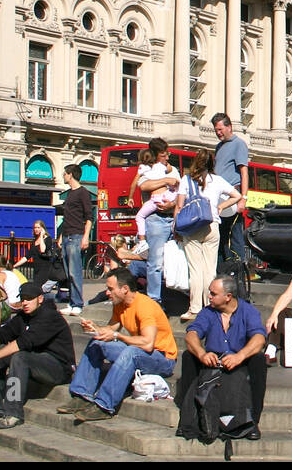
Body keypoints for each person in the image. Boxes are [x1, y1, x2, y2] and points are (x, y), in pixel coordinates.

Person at [58, 268, 178, 421]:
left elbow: (148, 344)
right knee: (97, 343)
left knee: (131, 353)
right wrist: (95, 329)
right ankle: (81, 395)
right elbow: (111, 328)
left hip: (162, 358)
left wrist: (117, 335)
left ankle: (104, 405)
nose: (107, 293)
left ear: (125, 289)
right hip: (140, 351)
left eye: (110, 289)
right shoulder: (120, 304)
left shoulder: (145, 306)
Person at [0, 282, 76, 430]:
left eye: (29, 299)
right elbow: (2, 334)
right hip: (36, 360)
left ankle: (13, 412)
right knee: (2, 351)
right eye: (22, 299)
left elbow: (22, 343)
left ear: (40, 299)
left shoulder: (50, 316)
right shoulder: (23, 316)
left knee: (18, 357)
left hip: (59, 368)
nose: (25, 303)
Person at [177, 274, 267, 442]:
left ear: (228, 297)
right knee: (189, 356)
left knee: (259, 360)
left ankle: (253, 421)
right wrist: (202, 353)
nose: (209, 296)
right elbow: (191, 334)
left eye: (213, 293)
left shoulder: (248, 312)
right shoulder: (208, 312)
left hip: (238, 359)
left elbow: (259, 338)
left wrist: (240, 356)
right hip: (213, 360)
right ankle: (187, 418)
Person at [175, 148, 241, 322]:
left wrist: (176, 229)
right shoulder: (217, 180)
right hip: (212, 225)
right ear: (212, 163)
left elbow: (179, 207)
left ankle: (195, 308)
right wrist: (220, 207)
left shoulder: (186, 180)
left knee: (195, 270)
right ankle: (211, 305)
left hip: (192, 226)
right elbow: (237, 195)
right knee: (209, 269)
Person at [131, 138, 181, 300]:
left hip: (172, 218)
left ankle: (174, 296)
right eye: (163, 155)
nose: (167, 158)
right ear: (154, 155)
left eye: (167, 154)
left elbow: (181, 190)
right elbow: (144, 186)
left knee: (174, 260)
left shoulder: (171, 169)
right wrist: (166, 181)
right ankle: (154, 299)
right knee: (155, 263)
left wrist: (172, 204)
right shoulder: (147, 169)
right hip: (156, 220)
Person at [211, 113, 252, 264]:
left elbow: (244, 172)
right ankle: (222, 272)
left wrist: (243, 199)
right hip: (219, 198)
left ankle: (237, 272)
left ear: (229, 127)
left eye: (220, 129)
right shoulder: (219, 147)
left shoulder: (239, 144)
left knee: (234, 237)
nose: (218, 133)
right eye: (216, 130)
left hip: (232, 197)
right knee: (220, 237)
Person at [58, 164, 93, 315]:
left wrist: (85, 237)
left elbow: (89, 217)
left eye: (64, 174)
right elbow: (67, 218)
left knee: (75, 272)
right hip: (66, 236)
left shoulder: (83, 193)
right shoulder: (70, 194)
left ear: (70, 174)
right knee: (68, 272)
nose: (63, 176)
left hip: (76, 236)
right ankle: (72, 303)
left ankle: (77, 303)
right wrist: (60, 237)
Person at [12, 220, 56, 294]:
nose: (36, 229)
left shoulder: (47, 239)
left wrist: (42, 236)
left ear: (42, 228)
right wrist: (14, 265)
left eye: (38, 227)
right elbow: (27, 256)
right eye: (35, 228)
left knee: (37, 288)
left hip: (44, 268)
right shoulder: (34, 241)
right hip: (36, 269)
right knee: (38, 288)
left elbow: (42, 250)